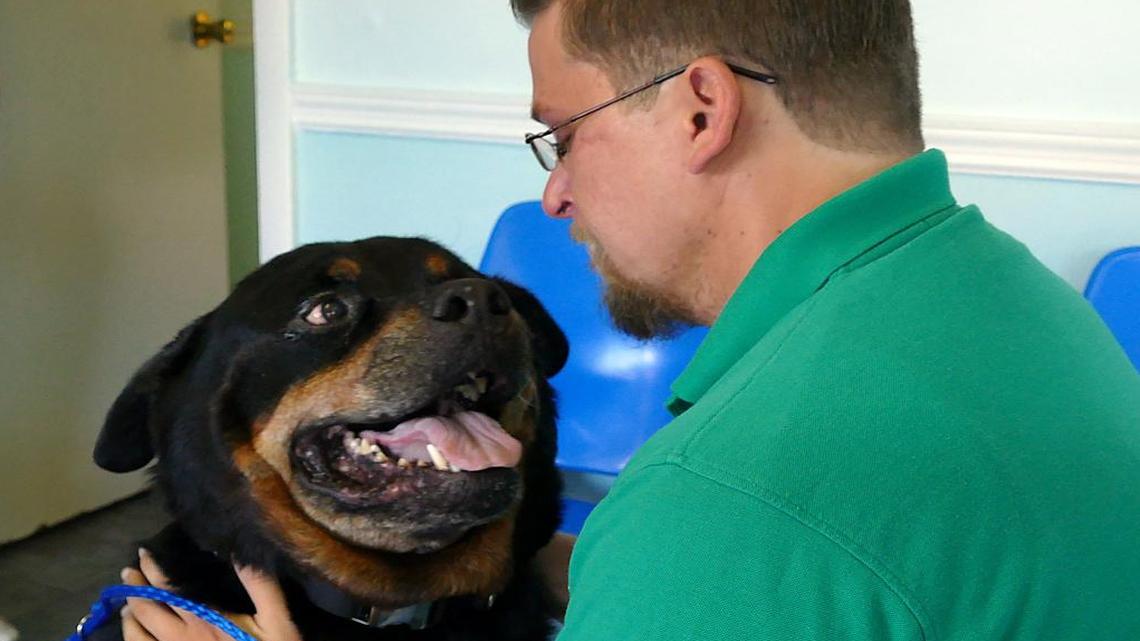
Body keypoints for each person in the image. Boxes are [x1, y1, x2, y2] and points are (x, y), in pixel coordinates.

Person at [122, 0, 1140, 639]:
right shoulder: (1016, 302)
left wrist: (673, 556)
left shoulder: (732, 498)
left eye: (563, 135)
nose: (556, 193)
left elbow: (770, 534)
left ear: (701, 109)